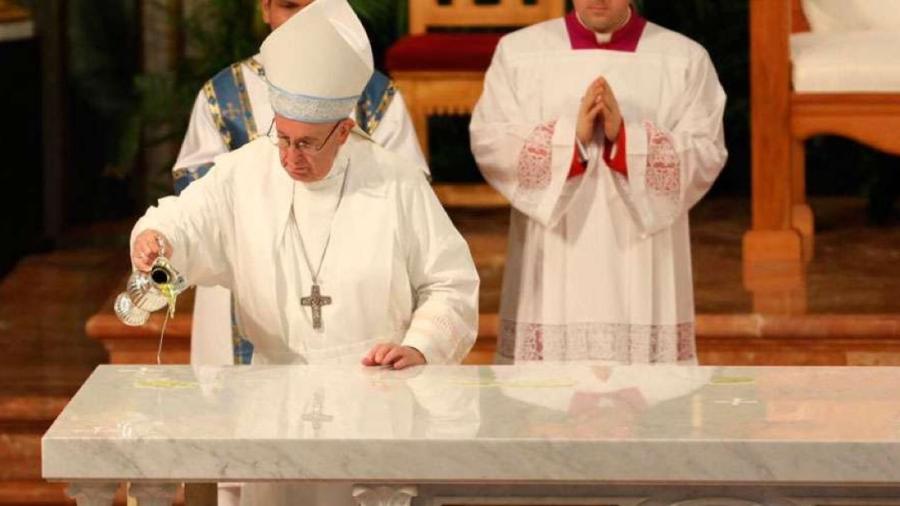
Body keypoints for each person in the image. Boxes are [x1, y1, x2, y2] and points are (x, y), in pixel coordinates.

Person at [131, 1, 478, 503]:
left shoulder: (395, 182)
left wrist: (421, 345)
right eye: (284, 139)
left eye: (309, 144)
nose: (292, 158)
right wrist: (157, 238)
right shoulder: (244, 173)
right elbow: (184, 221)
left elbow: (450, 282)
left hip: (375, 400)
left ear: (344, 131)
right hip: (272, 401)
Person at [470, 0, 727, 364]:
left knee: (648, 402)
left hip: (642, 255)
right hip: (555, 250)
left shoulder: (684, 59)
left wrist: (626, 139)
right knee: (547, 400)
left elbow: (706, 150)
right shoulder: (519, 54)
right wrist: (569, 139)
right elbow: (491, 141)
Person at [176, 0, 427, 368]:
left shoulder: (373, 94)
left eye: (316, 7)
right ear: (264, 8)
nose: (302, 23)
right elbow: (194, 191)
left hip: (350, 286)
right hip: (248, 274)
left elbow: (407, 189)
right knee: (240, 418)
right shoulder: (223, 96)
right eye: (289, 6)